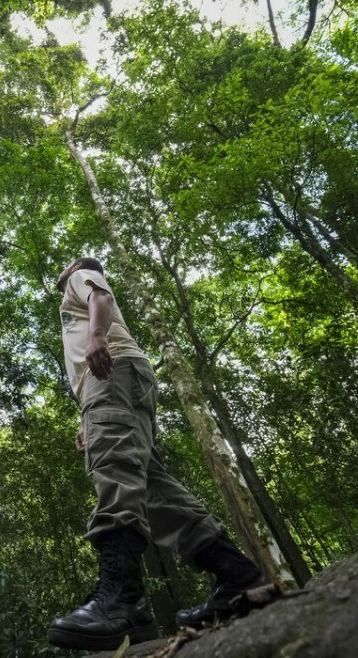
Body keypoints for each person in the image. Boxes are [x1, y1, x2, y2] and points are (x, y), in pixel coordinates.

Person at [46, 257, 276, 651]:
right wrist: (89, 419)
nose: (62, 270)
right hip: (109, 383)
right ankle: (235, 574)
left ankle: (118, 599)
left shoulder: (80, 278)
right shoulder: (71, 300)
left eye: (67, 264)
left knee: (115, 468)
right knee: (151, 489)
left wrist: (98, 338)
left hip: (111, 371)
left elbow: (100, 296)